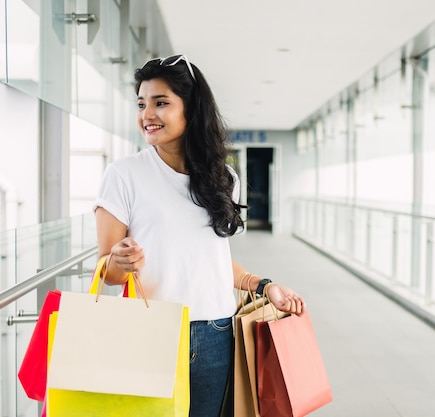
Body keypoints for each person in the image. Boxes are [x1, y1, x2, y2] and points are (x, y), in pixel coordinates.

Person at [93, 54, 305, 417]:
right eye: (142, 104)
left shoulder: (224, 178)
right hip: (152, 330)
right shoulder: (124, 175)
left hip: (216, 332)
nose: (147, 114)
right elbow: (107, 272)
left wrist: (263, 285)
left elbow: (214, 260)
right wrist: (118, 260)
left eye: (161, 103)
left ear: (192, 109)